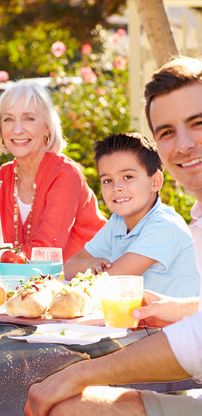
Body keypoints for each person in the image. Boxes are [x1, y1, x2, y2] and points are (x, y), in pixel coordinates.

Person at [24, 56, 202, 416]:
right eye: (167, 132)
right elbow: (74, 267)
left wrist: (82, 374)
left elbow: (106, 282)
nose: (183, 144)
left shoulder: (166, 225)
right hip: (156, 344)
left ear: (156, 180)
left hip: (171, 362)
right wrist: (182, 308)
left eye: (198, 123)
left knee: (60, 390)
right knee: (65, 403)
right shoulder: (133, 223)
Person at [0, 81, 106, 261]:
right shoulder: (3, 176)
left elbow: (45, 252)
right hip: (31, 285)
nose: (17, 129)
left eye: (29, 118)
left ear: (47, 127)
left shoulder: (65, 174)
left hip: (88, 282)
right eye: (8, 119)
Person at [64, 132, 199, 297]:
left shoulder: (165, 226)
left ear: (155, 182)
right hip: (138, 319)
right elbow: (69, 267)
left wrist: (89, 270)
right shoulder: (118, 222)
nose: (116, 188)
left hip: (175, 322)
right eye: (107, 180)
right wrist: (90, 264)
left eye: (128, 177)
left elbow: (110, 283)